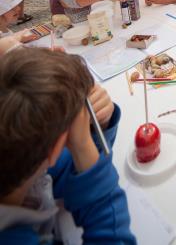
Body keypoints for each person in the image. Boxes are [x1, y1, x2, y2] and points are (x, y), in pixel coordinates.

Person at [0, 48, 135, 244]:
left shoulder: (19, 160)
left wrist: (99, 126)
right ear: (55, 149)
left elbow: (65, 170)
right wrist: (82, 145)